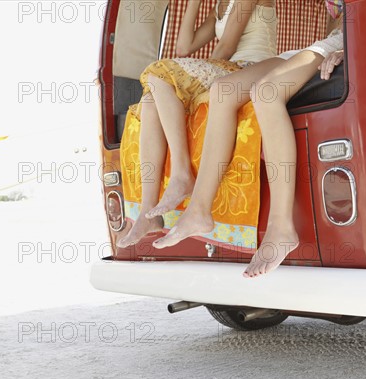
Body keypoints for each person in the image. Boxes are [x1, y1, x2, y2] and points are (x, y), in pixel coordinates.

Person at [152, 1, 345, 279]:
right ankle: (199, 209)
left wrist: (345, 50)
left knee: (266, 93)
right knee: (222, 90)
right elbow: (335, 26)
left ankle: (281, 229)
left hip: (338, 45)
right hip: (320, 45)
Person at [117, 0, 277, 248]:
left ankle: (182, 174)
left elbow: (226, 46)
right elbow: (184, 47)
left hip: (250, 68)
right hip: (227, 68)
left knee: (158, 73)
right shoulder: (220, 8)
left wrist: (191, 79)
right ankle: (149, 213)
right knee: (150, 101)